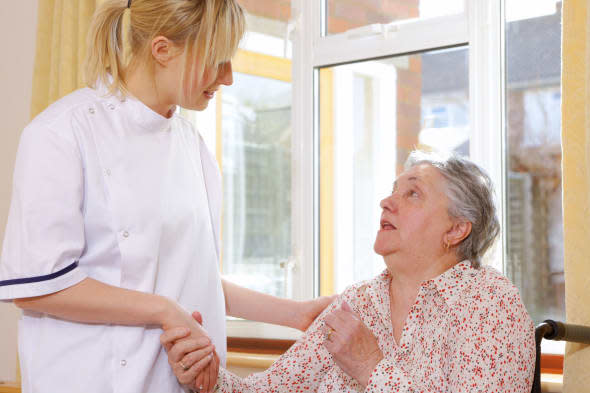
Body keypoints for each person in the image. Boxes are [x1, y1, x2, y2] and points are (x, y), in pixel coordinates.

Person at [0, 1, 332, 392]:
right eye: (217, 60)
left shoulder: (194, 147)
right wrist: (164, 310)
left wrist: (296, 314)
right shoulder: (61, 133)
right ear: (162, 50)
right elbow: (40, 287)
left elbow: (193, 276)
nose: (228, 78)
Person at [163, 150, 536, 392]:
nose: (386, 202)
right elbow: (270, 390)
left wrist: (371, 367)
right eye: (393, 191)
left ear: (456, 230)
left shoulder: (490, 305)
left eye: (413, 194)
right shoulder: (359, 301)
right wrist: (209, 378)